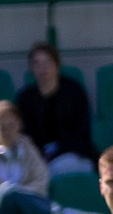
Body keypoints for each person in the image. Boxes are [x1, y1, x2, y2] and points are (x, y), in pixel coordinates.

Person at [0, 100, 103, 214]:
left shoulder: (28, 148)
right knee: (8, 191)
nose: (7, 131)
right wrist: (17, 197)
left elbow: (42, 182)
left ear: (19, 124)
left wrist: (22, 199)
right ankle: (66, 213)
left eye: (11, 125)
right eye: (2, 127)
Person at [14, 42, 97, 176]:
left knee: (57, 169)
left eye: (47, 62)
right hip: (37, 156)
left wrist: (57, 153)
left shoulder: (74, 92)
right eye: (37, 63)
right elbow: (25, 135)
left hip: (72, 154)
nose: (43, 68)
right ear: (31, 68)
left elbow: (81, 134)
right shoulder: (25, 98)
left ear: (57, 65)